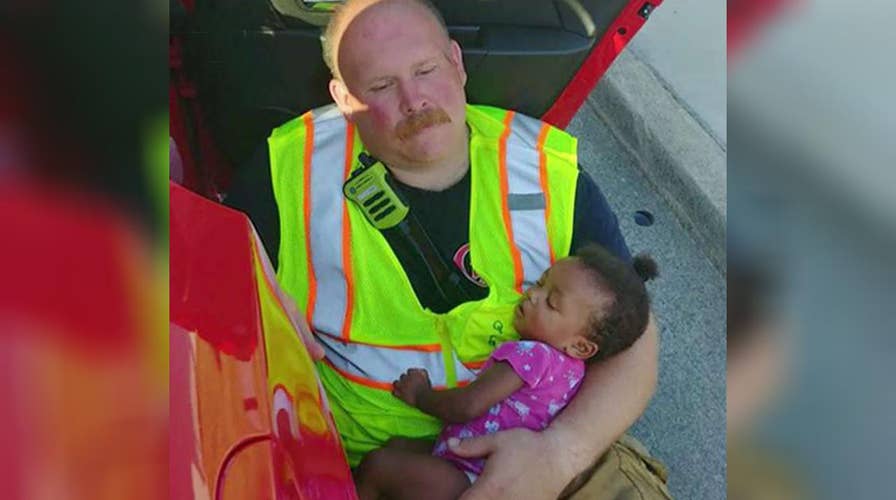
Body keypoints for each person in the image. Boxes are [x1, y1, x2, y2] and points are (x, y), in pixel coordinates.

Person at [225, 0, 670, 497]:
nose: (413, 100)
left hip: (537, 450)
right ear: (344, 98)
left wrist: (559, 455)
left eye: (426, 70)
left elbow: (635, 337)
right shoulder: (287, 172)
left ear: (457, 63)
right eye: (381, 85)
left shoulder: (543, 170)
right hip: (362, 468)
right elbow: (200, 299)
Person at [354, 245, 658, 500]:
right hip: (481, 468)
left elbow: (467, 406)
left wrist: (421, 394)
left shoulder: (531, 355)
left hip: (471, 478)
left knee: (378, 466)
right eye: (540, 283)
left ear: (580, 346)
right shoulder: (574, 373)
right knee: (398, 449)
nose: (533, 295)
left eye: (552, 303)